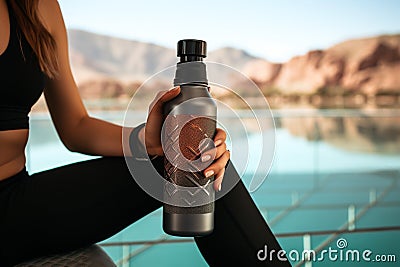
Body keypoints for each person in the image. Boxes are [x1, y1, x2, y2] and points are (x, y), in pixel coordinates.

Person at [0, 0, 290, 266]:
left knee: (197, 167)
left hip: (15, 202)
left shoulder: (36, 8)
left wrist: (150, 142)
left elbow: (76, 128)